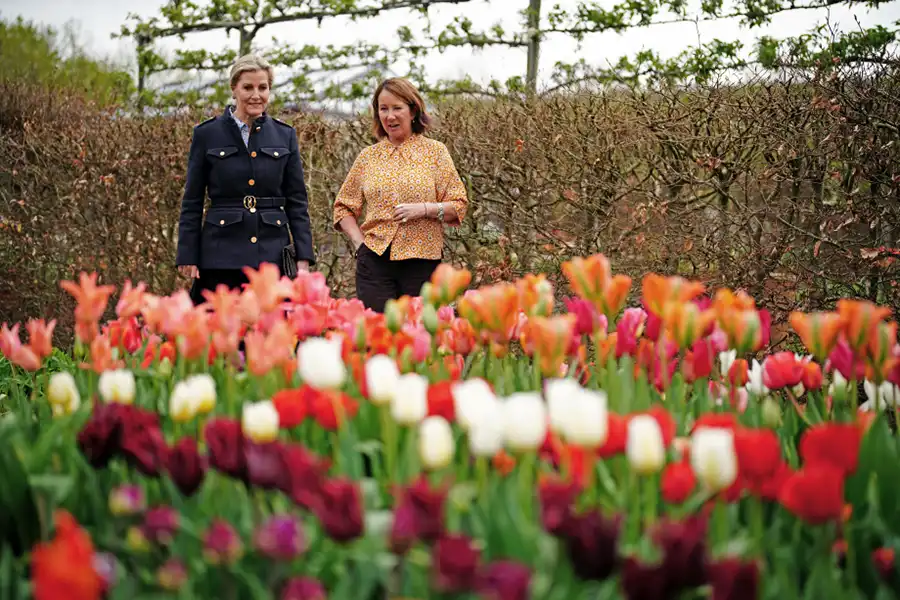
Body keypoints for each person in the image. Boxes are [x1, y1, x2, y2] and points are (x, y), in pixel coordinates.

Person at [175, 54, 316, 305]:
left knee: (270, 338)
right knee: (222, 337)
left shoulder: (285, 136)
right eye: (247, 87)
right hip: (220, 256)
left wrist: (303, 257)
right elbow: (192, 201)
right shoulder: (207, 134)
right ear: (234, 89)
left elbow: (297, 202)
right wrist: (188, 254)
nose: (256, 95)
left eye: (263, 88)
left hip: (271, 257)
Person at [332, 77, 468, 313]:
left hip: (422, 264)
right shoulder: (368, 157)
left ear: (413, 110)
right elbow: (343, 207)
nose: (390, 116)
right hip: (374, 262)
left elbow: (459, 205)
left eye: (397, 108)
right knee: (379, 339)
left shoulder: (435, 152)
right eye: (383, 109)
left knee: (419, 339)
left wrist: (424, 209)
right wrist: (359, 245)